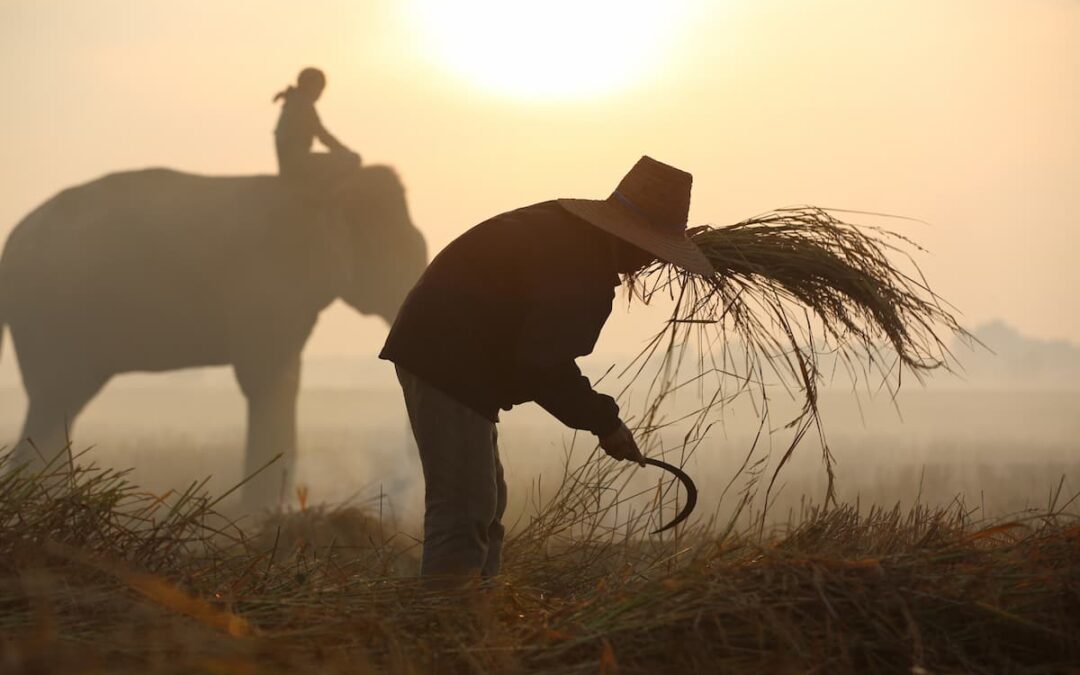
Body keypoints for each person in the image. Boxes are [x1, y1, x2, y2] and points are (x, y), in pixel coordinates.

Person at [379, 156, 714, 585]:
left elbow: (536, 357)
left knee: (486, 499)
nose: (650, 261)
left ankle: (479, 607)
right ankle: (446, 624)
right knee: (464, 506)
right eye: (651, 250)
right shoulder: (577, 265)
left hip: (453, 358)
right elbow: (543, 365)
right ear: (632, 238)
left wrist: (598, 419)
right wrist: (604, 423)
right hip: (447, 361)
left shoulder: (570, 239)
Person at [272, 67, 360, 196]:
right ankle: (325, 196)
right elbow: (322, 135)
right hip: (298, 164)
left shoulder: (294, 101)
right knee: (352, 160)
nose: (320, 93)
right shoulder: (302, 104)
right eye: (319, 88)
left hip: (290, 164)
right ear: (310, 85)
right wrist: (344, 151)